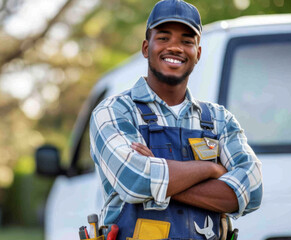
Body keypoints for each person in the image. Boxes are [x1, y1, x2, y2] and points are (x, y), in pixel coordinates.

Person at [89, 0, 263, 239]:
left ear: (198, 53)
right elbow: (134, 179)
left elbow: (252, 192)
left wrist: (156, 175)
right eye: (163, 38)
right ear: (145, 47)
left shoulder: (220, 120)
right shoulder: (114, 111)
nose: (175, 47)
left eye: (187, 41)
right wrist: (211, 168)